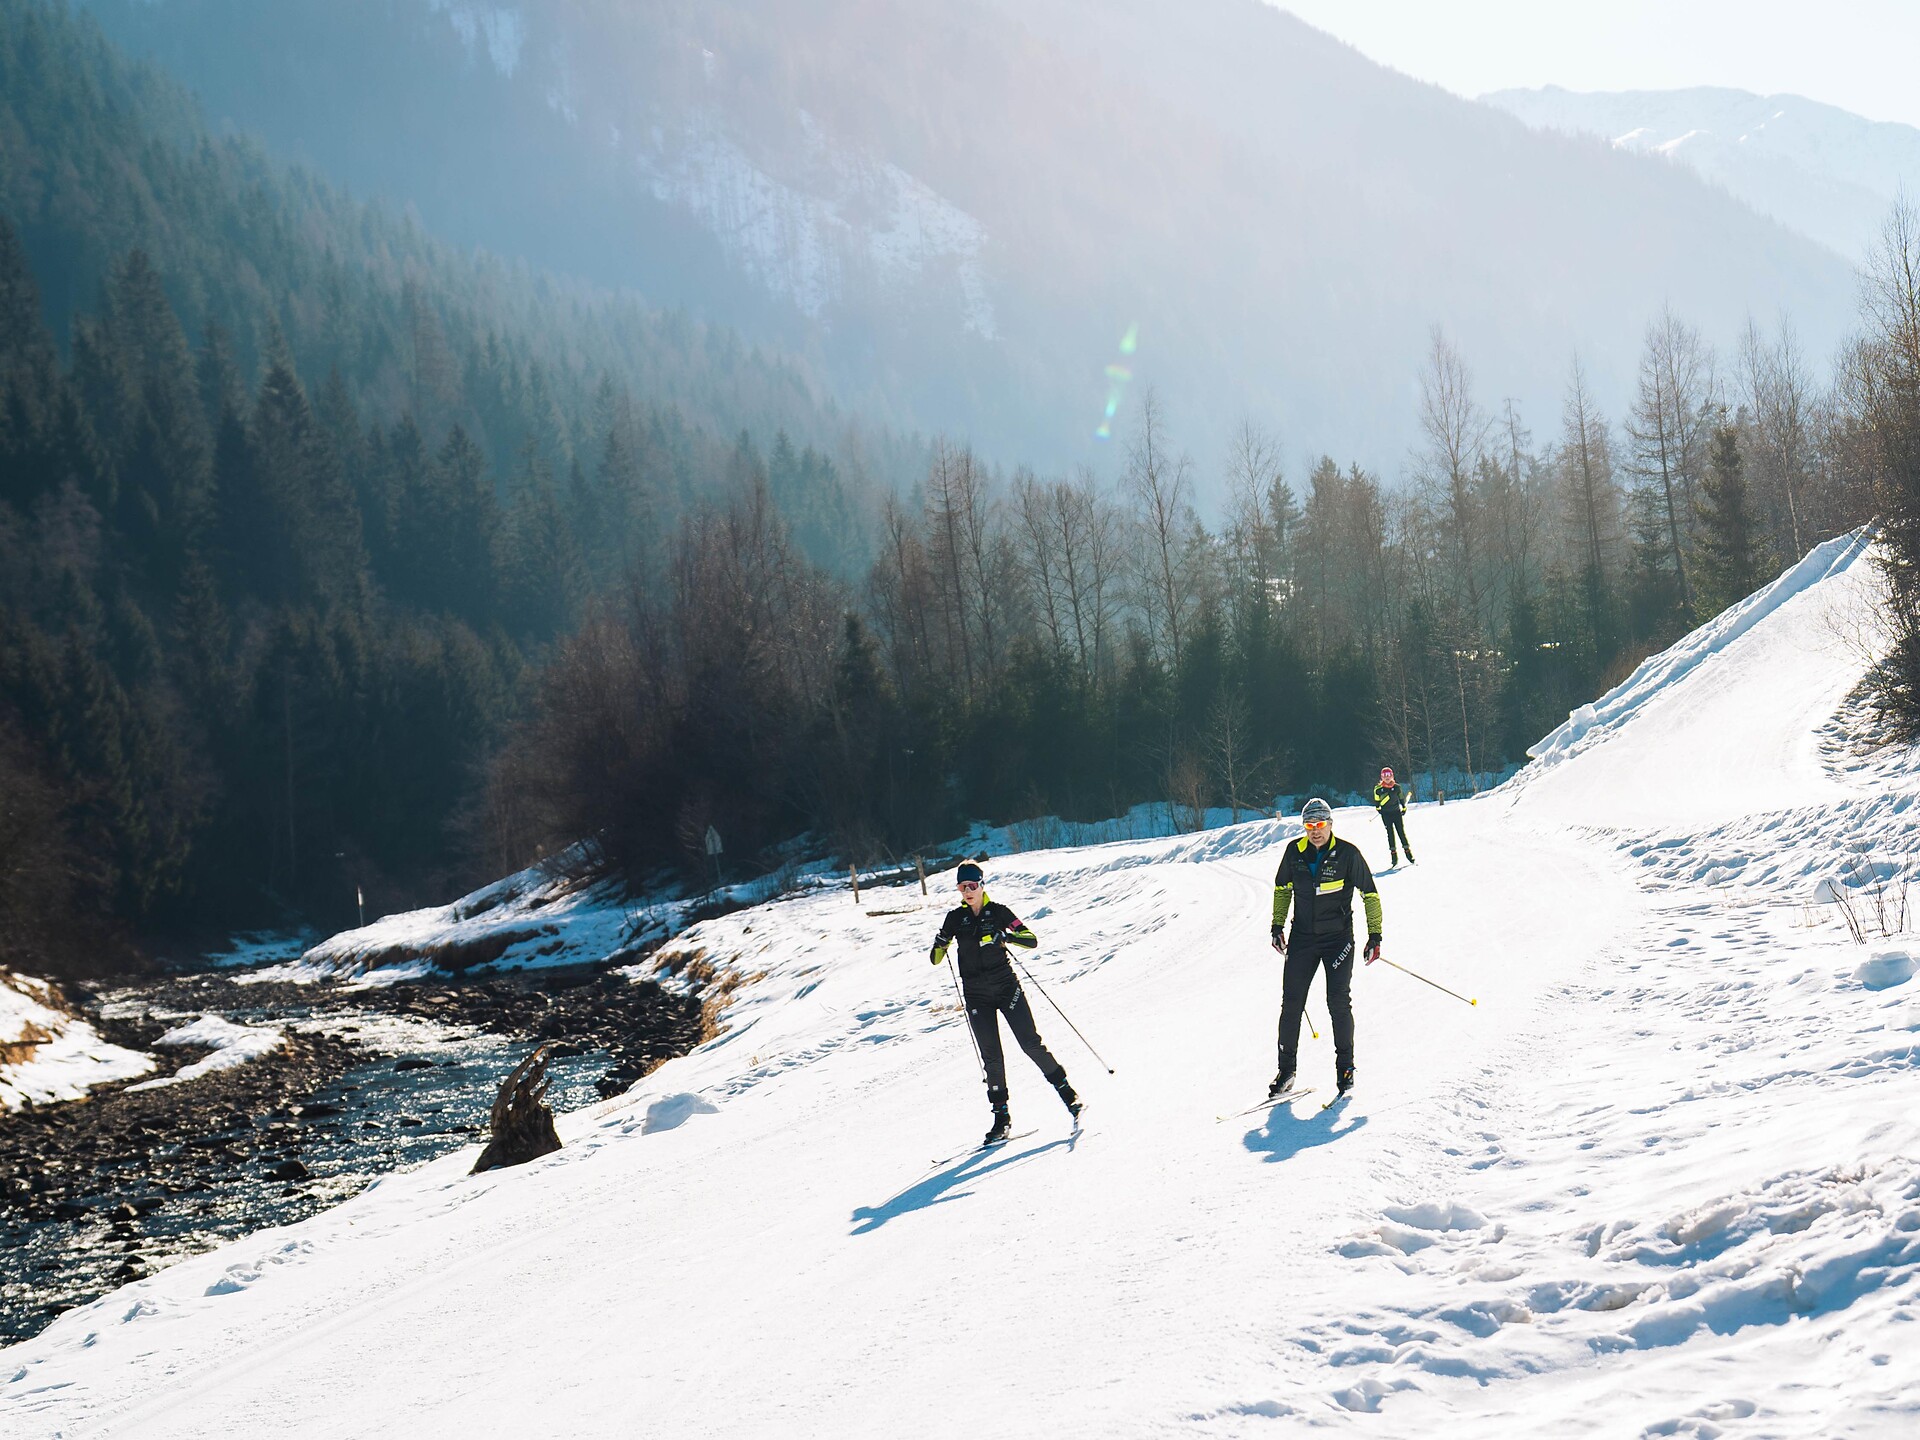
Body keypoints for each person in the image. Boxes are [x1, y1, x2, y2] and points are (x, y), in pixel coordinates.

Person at [930, 861, 1081, 1144]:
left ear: (982, 885)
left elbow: (1031, 939)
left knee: (1030, 1044)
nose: (967, 891)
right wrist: (939, 943)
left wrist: (1006, 936)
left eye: (972, 886)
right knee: (992, 1057)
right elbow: (936, 958)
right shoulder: (954, 919)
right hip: (976, 995)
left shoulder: (999, 913)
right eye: (962, 887)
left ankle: (1068, 1095)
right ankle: (1001, 1119)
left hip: (1006, 988)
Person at [1268, 797, 1382, 1100]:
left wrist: (1375, 936)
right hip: (1303, 938)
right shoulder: (1294, 852)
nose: (1315, 830)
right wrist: (1277, 927)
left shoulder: (1347, 854)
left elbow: (1369, 894)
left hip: (1338, 940)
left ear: (1330, 824)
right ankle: (1286, 1072)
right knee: (1291, 1004)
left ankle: (1345, 1069)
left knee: (1337, 1002)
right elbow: (1282, 890)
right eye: (1309, 825)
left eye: (1320, 824)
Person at [1372, 766, 1414, 866]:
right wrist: (1378, 808)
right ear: (1381, 777)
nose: (1387, 778)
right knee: (1390, 833)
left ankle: (1408, 853)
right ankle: (1394, 856)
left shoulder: (1397, 787)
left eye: (1389, 775)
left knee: (1401, 832)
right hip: (1386, 814)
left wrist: (1404, 807)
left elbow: (1401, 798)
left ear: (1392, 776)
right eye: (1385, 776)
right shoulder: (1378, 789)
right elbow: (1377, 800)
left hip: (1396, 813)